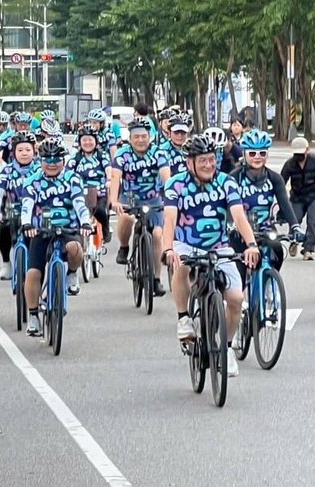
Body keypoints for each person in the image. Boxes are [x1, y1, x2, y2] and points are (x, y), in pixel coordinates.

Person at [161, 133, 261, 378]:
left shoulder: (227, 182)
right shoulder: (175, 184)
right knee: (181, 265)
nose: (208, 165)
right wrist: (168, 249)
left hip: (219, 246)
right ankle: (184, 317)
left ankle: (226, 349)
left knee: (236, 298)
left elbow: (238, 215)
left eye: (211, 159)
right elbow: (170, 219)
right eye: (202, 160)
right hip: (186, 244)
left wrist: (251, 244)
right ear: (189, 163)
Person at [20, 139, 92, 335]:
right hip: (41, 231)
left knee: (75, 250)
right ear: (40, 160)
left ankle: (71, 274)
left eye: (56, 159)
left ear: (63, 160)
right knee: (33, 273)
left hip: (68, 229)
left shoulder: (73, 178)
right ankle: (33, 316)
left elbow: (79, 203)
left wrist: (85, 222)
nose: (52, 163)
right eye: (47, 159)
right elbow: (27, 205)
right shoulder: (32, 180)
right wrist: (26, 223)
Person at [228, 129, 304, 282]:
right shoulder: (234, 178)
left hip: (266, 229)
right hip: (239, 231)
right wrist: (229, 225)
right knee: (239, 275)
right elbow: (228, 206)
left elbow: (285, 204)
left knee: (278, 251)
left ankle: (269, 280)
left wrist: (295, 226)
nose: (257, 157)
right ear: (244, 154)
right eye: (252, 153)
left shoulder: (274, 178)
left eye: (262, 153)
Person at [108, 117, 170, 294]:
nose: (140, 140)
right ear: (130, 138)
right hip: (130, 199)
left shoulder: (158, 153)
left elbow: (167, 177)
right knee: (126, 218)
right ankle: (124, 247)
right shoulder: (123, 154)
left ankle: (157, 279)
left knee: (157, 235)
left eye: (144, 136)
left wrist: (171, 199)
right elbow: (115, 177)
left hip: (153, 200)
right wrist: (114, 200)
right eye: (136, 137)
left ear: (149, 136)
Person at [0, 131, 40, 280]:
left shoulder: (40, 169)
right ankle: (7, 264)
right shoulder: (7, 170)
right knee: (3, 230)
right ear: (13, 152)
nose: (24, 153)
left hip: (35, 212)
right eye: (20, 150)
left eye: (27, 149)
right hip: (13, 210)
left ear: (34, 150)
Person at [281, 136, 315, 261]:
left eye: (301, 153)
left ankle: (309, 249)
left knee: (313, 221)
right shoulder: (289, 164)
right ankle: (294, 239)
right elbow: (281, 182)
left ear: (307, 150)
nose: (299, 156)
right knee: (295, 220)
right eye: (296, 153)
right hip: (297, 196)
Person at [66, 125, 111, 244]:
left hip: (99, 191)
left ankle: (106, 231)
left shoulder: (102, 155)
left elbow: (108, 168)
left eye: (90, 139)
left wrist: (109, 180)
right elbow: (67, 171)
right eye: (84, 140)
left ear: (96, 141)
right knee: (75, 214)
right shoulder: (76, 157)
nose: (87, 142)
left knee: (101, 211)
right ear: (80, 142)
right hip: (80, 191)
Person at [160, 112, 192, 178]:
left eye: (183, 132)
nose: (179, 135)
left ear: (188, 133)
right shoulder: (162, 150)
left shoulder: (194, 148)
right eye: (176, 132)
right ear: (169, 132)